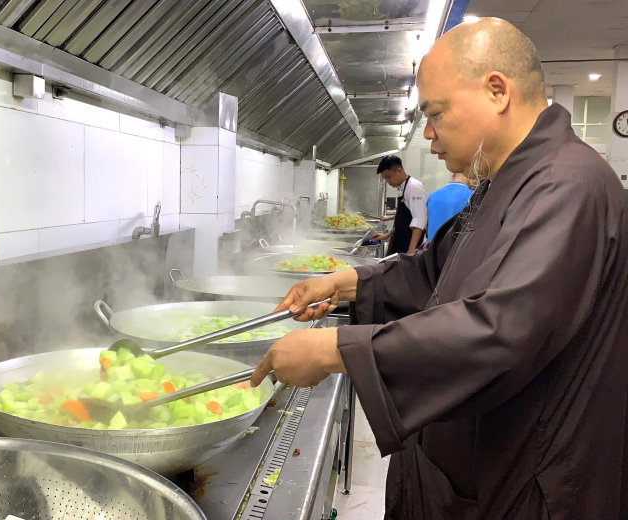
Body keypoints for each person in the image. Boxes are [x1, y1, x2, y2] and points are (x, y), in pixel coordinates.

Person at [250, 17, 628, 520]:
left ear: (497, 91)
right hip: (470, 470)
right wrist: (347, 282)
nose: (427, 135)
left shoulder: (568, 186)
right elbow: (434, 273)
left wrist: (337, 350)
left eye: (436, 113)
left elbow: (499, 333)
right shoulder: (506, 182)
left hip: (524, 486)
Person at [370, 156, 427, 255]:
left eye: (388, 177)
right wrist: (387, 235)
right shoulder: (402, 187)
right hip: (399, 243)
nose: (387, 181)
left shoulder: (414, 187)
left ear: (399, 170)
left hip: (406, 246)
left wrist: (411, 251)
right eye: (385, 179)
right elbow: (404, 218)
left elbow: (419, 220)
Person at [425, 169, 473, 241]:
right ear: (470, 177)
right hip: (455, 247)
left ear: (452, 177)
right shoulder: (472, 196)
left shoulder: (432, 195)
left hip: (431, 246)